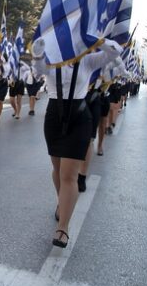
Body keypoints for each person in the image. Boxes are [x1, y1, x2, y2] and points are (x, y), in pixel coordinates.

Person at [32, 38, 122, 248]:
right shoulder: (52, 58)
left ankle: (63, 228)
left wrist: (96, 39)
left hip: (79, 116)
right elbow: (38, 70)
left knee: (69, 175)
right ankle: (62, 203)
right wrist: (37, 52)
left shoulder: (87, 60)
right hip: (54, 115)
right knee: (57, 169)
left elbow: (115, 52)